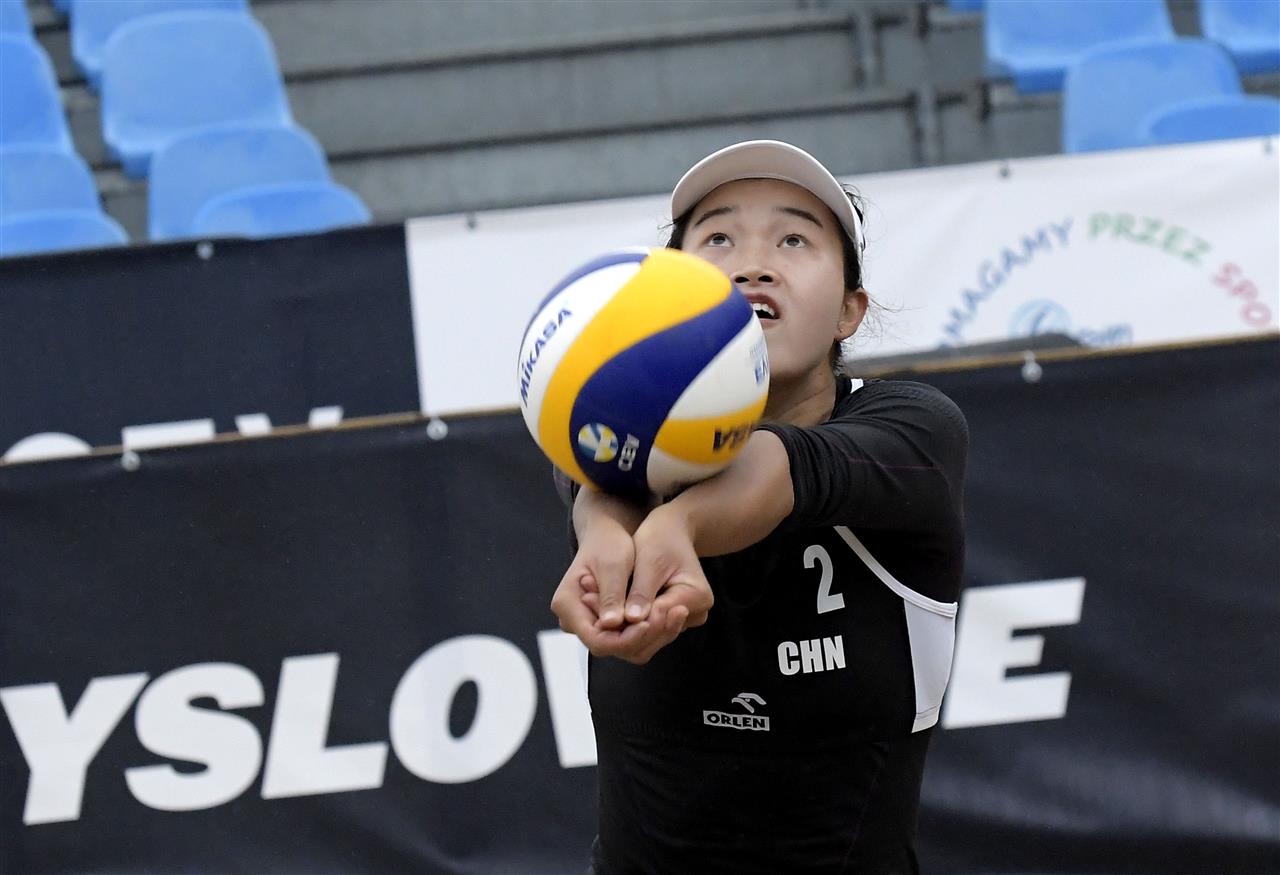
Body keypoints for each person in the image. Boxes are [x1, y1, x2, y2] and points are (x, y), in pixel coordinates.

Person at [551, 140, 968, 874]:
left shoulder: (915, 429)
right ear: (667, 290)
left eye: (794, 240)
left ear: (849, 311)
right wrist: (601, 532)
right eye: (718, 238)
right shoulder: (617, 443)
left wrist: (677, 524)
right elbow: (591, 477)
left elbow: (786, 467)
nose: (752, 264)